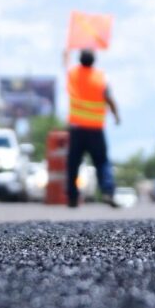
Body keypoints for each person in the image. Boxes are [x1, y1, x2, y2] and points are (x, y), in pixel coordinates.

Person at [64, 47, 120, 208]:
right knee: (102, 162)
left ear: (80, 60)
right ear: (93, 60)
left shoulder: (73, 75)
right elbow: (109, 98)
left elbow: (66, 64)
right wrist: (116, 116)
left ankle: (72, 197)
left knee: (73, 163)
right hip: (95, 129)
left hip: (77, 129)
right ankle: (108, 192)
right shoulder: (101, 77)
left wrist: (66, 52)